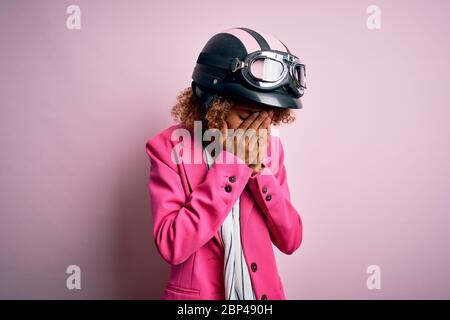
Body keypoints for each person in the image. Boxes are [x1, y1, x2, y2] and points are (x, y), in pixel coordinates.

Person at [145, 27, 307, 300]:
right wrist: (231, 165)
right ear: (212, 104)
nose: (258, 129)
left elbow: (291, 240)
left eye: (267, 117)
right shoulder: (168, 148)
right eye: (246, 117)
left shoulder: (270, 148)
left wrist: (259, 173)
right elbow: (172, 245)